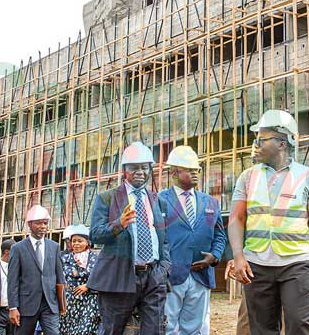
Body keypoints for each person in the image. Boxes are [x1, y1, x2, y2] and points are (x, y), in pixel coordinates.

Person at [228, 110, 309, 335]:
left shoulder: (308, 177)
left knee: (299, 324)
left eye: (262, 139)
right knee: (261, 329)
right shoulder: (247, 177)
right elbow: (237, 218)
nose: (256, 144)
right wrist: (238, 256)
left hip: (296, 263)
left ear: (282, 143)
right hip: (257, 265)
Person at [88, 141, 171, 335]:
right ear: (124, 170)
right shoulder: (107, 198)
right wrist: (119, 224)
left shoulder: (157, 200)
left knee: (155, 331)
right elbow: (95, 235)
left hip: (153, 276)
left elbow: (163, 238)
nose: (140, 172)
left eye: (145, 167)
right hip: (120, 276)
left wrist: (164, 267)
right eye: (134, 168)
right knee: (113, 330)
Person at [159, 146, 226, 335]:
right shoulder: (160, 200)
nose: (195, 174)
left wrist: (214, 256)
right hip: (171, 276)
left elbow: (220, 235)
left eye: (197, 170)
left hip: (201, 275)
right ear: (174, 172)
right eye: (189, 170)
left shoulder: (210, 203)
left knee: (194, 328)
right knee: (168, 326)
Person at [6, 205, 64, 335]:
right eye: (38, 223)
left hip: (49, 304)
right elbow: (12, 280)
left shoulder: (54, 247)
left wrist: (61, 304)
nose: (43, 226)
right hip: (26, 305)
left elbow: (60, 277)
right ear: (30, 224)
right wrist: (13, 307)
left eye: (45, 223)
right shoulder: (18, 248)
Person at [58, 225, 99, 335]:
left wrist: (88, 285)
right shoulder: (64, 259)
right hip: (69, 302)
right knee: (66, 330)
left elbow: (103, 278)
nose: (76, 244)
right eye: (74, 241)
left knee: (86, 330)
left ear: (87, 242)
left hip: (89, 301)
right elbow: (59, 280)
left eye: (80, 241)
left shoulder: (96, 259)